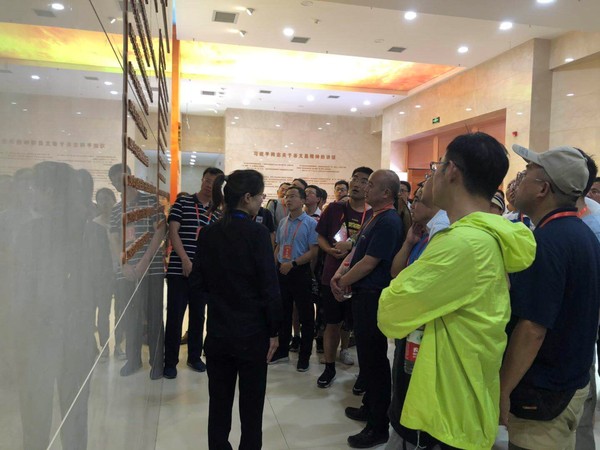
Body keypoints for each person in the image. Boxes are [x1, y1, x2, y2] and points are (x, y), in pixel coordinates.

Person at [378, 132, 536, 449]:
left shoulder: (464, 243)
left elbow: (390, 312)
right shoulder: (480, 236)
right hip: (460, 398)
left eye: (436, 166)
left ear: (451, 171)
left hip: (449, 411)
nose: (433, 175)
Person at [501, 145, 600, 450]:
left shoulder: (547, 242)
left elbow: (533, 329)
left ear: (543, 189)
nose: (519, 180)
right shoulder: (581, 234)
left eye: (527, 173)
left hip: (545, 392)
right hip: (569, 381)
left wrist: (503, 389)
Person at [189, 169, 282, 450]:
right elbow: (269, 286)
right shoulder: (258, 233)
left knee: (218, 404)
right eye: (260, 196)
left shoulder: (209, 232)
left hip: (219, 331)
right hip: (252, 334)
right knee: (252, 407)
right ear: (247, 197)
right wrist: (274, 331)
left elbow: (197, 282)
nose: (262, 201)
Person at [332, 169, 405, 448]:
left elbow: (369, 263)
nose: (365, 187)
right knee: (367, 357)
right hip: (363, 294)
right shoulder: (375, 216)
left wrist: (343, 282)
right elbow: (356, 253)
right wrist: (341, 274)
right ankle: (370, 406)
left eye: (371, 184)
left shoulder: (389, 221)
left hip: (374, 296)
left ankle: (378, 426)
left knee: (374, 360)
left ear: (386, 193)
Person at [387, 178, 450, 450]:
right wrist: (408, 242)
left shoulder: (443, 236)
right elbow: (395, 272)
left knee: (414, 387)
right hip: (409, 327)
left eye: (419, 200)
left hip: (424, 331)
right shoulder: (421, 234)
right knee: (401, 385)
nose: (413, 204)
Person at [163, 167, 223, 379]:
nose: (209, 185)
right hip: (179, 270)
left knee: (198, 316)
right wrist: (185, 260)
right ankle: (170, 362)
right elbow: (173, 232)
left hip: (202, 275)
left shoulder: (218, 213)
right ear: (202, 180)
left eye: (214, 183)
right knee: (175, 317)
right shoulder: (183, 202)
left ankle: (194, 357)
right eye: (207, 180)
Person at [316, 167, 373, 388]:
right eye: (355, 179)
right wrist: (329, 250)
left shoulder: (373, 214)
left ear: (370, 186)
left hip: (359, 278)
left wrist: (351, 248)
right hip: (332, 274)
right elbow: (321, 236)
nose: (356, 183)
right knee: (332, 322)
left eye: (364, 180)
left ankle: (355, 363)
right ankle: (329, 367)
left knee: (356, 325)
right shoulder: (334, 209)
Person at [108, 163, 166, 379]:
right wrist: (124, 264)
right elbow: (114, 239)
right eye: (115, 181)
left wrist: (144, 261)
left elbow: (160, 231)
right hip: (126, 272)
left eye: (122, 178)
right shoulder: (116, 210)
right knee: (130, 315)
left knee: (154, 314)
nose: (120, 183)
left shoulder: (150, 201)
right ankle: (133, 360)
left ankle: (157, 361)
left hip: (152, 269)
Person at [270, 186, 319, 371]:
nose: (288, 199)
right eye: (286, 196)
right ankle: (282, 350)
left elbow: (314, 251)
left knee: (306, 315)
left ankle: (304, 355)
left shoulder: (310, 223)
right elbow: (279, 246)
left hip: (299, 271)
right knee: (283, 312)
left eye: (292, 196)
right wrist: (275, 263)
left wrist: (293, 264)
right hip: (282, 271)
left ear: (302, 200)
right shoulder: (283, 222)